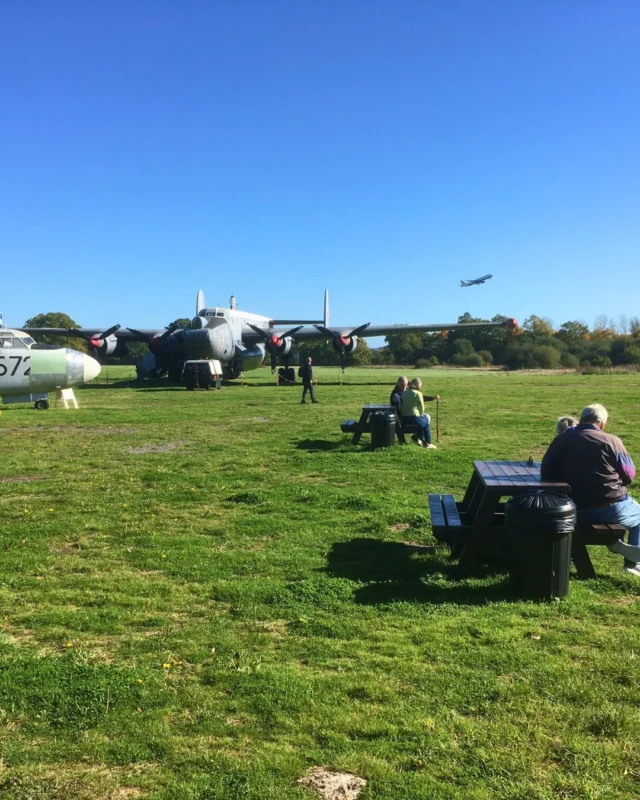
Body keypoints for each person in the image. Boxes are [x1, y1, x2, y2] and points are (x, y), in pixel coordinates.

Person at [541, 403, 640, 577]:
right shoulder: (612, 441)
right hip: (610, 506)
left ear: (582, 418)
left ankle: (616, 542)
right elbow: (629, 474)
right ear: (601, 423)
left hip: (571, 508)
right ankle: (633, 563)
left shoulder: (561, 440)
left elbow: (546, 471)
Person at [399, 377, 439, 448]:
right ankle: (428, 443)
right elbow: (422, 407)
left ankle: (419, 439)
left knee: (421, 423)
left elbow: (400, 406)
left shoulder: (404, 393)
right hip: (414, 417)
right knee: (425, 424)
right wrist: (421, 414)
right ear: (418, 385)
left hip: (404, 418)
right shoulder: (418, 394)